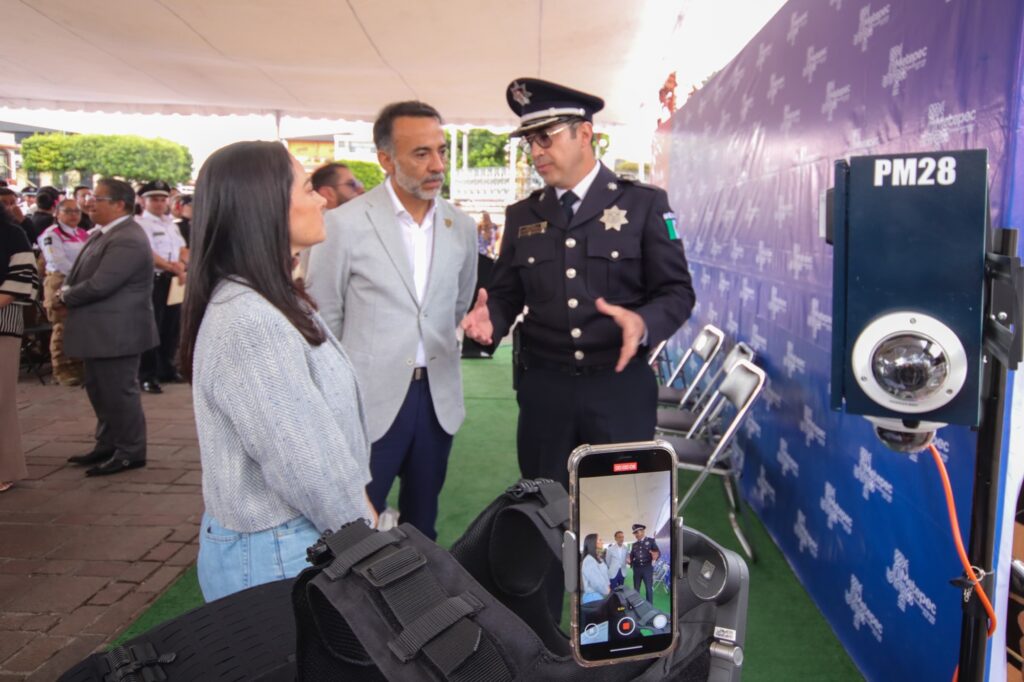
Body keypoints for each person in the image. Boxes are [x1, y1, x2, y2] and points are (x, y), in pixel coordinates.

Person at [461, 78, 696, 490]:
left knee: (621, 510)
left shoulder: (643, 204)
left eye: (545, 138)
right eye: (530, 142)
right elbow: (507, 294)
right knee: (543, 506)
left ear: (584, 134)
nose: (536, 151)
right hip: (545, 391)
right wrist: (492, 319)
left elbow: (677, 291)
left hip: (618, 388)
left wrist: (643, 324)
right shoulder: (522, 215)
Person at [178, 141, 376, 602]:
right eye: (307, 188)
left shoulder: (269, 298)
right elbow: (306, 467)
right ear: (263, 207)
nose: (322, 199)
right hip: (282, 551)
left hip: (294, 540)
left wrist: (359, 506)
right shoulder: (251, 319)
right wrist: (364, 535)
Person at [307, 101, 477, 541]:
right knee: (353, 531)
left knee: (423, 527)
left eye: (440, 150)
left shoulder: (461, 226)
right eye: (421, 153)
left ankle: (422, 588)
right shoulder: (342, 225)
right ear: (386, 158)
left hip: (437, 401)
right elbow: (324, 321)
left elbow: (456, 305)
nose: (437, 165)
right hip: (368, 401)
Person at [59, 178, 158, 476]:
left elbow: (102, 284)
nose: (89, 203)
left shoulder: (127, 237)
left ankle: (130, 451)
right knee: (100, 389)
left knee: (118, 392)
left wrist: (65, 296)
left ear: (119, 204)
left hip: (117, 331)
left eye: (97, 198)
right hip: (102, 331)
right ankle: (108, 443)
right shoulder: (105, 232)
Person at [0, 206, 39, 492]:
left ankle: (4, 469)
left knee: (1, 400)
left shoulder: (12, 234)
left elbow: (22, 280)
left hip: (2, 326)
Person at [137, 180, 189, 392]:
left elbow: (183, 249)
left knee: (171, 326)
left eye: (162, 199)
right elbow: (147, 253)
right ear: (143, 201)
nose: (159, 203)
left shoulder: (171, 224)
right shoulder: (141, 224)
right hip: (155, 279)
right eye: (154, 200)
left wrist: (182, 265)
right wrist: (172, 267)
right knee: (152, 327)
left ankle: (166, 368)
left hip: (173, 280)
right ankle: (147, 375)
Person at [38, 199, 89, 386]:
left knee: (79, 326)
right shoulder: (52, 234)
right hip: (60, 281)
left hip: (80, 281)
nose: (73, 215)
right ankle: (61, 369)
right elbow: (57, 260)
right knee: (62, 326)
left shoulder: (82, 233)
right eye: (68, 211)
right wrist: (80, 275)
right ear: (57, 213)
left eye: (77, 211)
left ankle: (78, 364)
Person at [627, 523, 659, 603]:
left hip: (647, 569)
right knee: (636, 589)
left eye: (637, 532)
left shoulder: (651, 541)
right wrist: (630, 561)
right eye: (635, 533)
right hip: (637, 569)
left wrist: (656, 557)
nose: (636, 535)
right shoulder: (634, 544)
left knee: (648, 589)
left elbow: (657, 552)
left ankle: (649, 606)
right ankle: (636, 604)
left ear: (643, 531)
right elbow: (631, 556)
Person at [581, 533, 611, 604]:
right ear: (593, 543)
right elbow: (597, 583)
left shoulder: (598, 558)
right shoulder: (589, 560)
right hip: (593, 598)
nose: (602, 542)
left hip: (600, 595)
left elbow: (604, 576)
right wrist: (607, 590)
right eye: (599, 540)